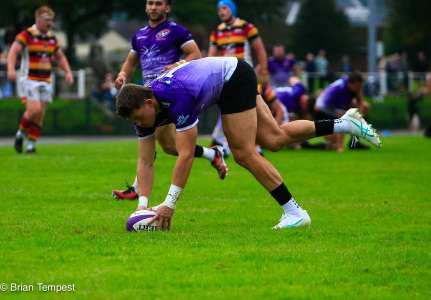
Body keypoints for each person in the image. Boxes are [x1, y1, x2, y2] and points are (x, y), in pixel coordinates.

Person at [115, 57, 381, 230]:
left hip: (234, 79)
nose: (140, 124)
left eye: (140, 117)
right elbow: (145, 160)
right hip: (233, 71)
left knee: (243, 153)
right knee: (275, 138)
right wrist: (143, 206)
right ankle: (346, 124)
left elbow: (185, 155)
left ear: (149, 103)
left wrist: (169, 205)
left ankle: (294, 212)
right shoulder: (144, 112)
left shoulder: (177, 98)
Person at [112, 0, 228, 201]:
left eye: (159, 3)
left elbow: (196, 53)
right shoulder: (139, 35)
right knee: (168, 147)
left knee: (161, 145)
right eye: (150, 3)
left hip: (169, 96)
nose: (154, 7)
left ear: (167, 8)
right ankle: (213, 154)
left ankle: (137, 189)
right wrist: (123, 74)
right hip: (147, 97)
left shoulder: (176, 31)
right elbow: (131, 61)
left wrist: (180, 63)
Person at [7, 6, 74, 154]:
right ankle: (20, 134)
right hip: (29, 78)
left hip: (46, 79)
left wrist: (68, 72)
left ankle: (31, 146)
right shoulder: (27, 35)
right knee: (34, 109)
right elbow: (13, 51)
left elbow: (60, 56)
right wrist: (11, 69)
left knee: (40, 114)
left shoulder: (51, 37)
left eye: (51, 20)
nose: (49, 23)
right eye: (46, 20)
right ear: (37, 19)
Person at [208, 0, 270, 150]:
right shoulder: (217, 31)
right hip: (227, 77)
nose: (221, 12)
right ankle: (224, 142)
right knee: (229, 109)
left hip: (245, 76)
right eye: (219, 9)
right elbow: (211, 56)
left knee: (252, 109)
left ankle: (254, 144)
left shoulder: (246, 27)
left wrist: (264, 70)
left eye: (224, 8)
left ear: (232, 10)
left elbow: (260, 49)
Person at [314, 72, 371, 152]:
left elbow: (359, 97)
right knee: (333, 141)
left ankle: (354, 142)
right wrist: (340, 147)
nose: (359, 89)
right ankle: (331, 144)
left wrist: (363, 104)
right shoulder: (341, 90)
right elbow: (341, 118)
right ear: (351, 84)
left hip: (332, 109)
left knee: (362, 109)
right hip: (323, 111)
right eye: (358, 86)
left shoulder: (350, 84)